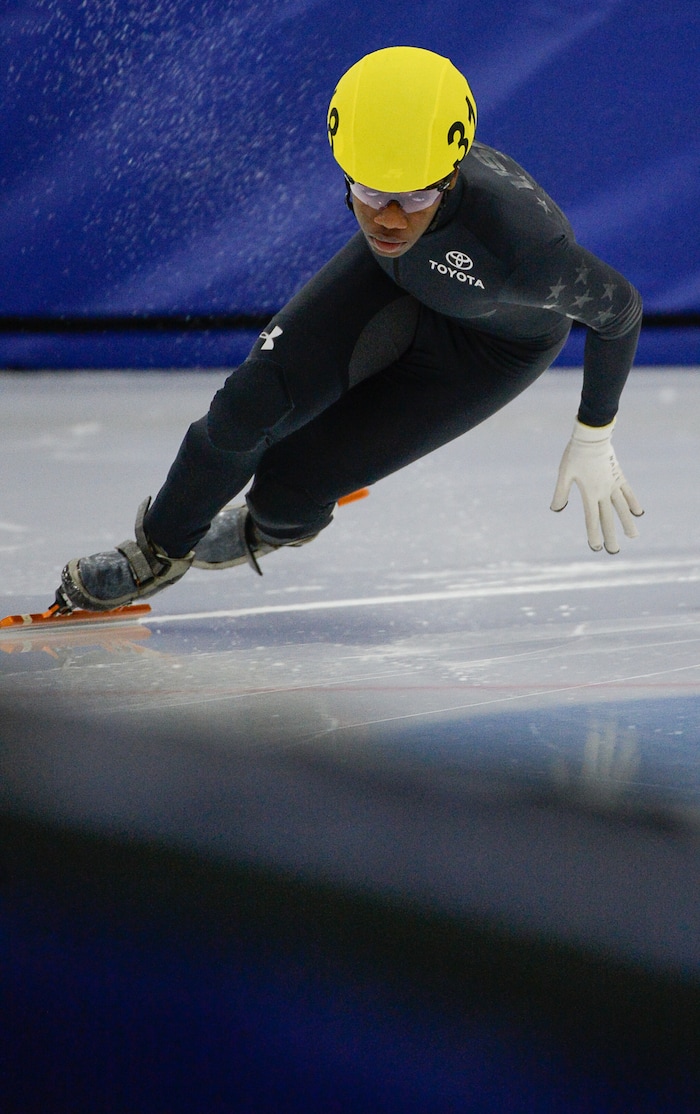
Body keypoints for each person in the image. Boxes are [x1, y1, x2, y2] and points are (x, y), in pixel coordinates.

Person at [55, 45, 644, 614]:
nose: (388, 219)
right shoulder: (395, 183)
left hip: (488, 351)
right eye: (367, 190)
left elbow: (621, 311)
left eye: (415, 195)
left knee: (290, 491)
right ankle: (157, 552)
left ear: (451, 170)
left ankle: (270, 524)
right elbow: (391, 208)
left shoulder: (522, 248)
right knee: (245, 407)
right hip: (394, 287)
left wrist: (594, 432)